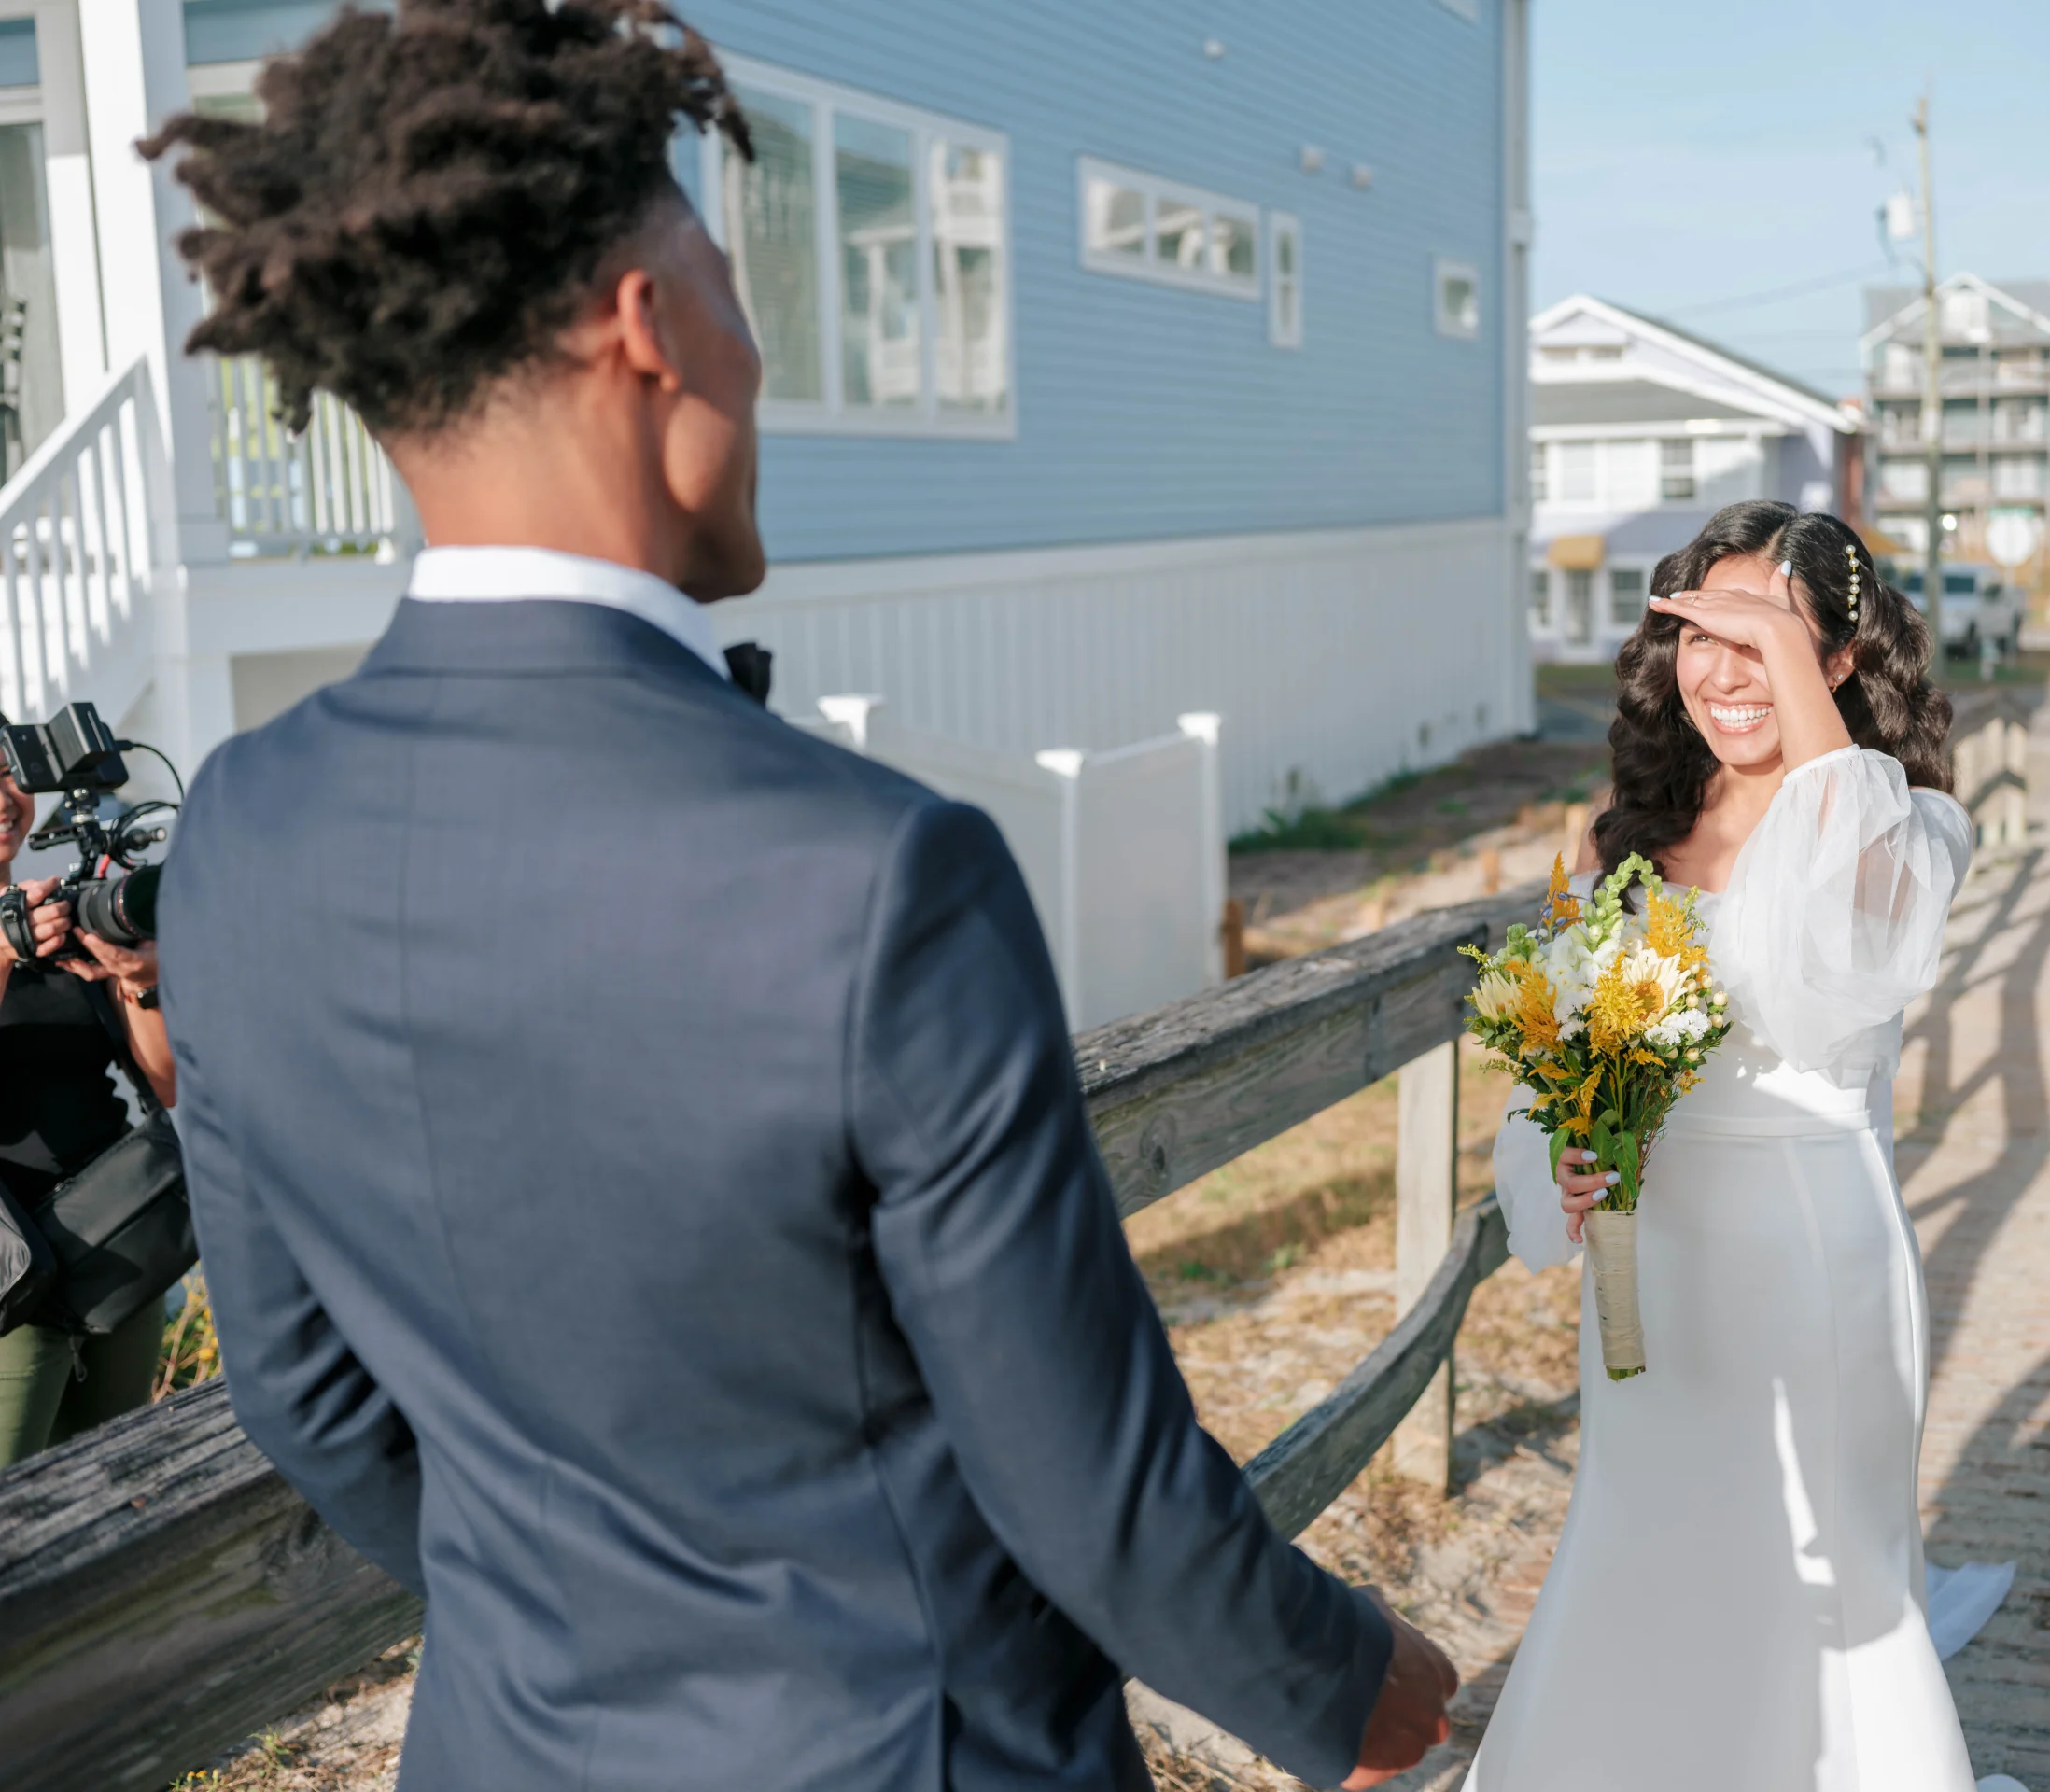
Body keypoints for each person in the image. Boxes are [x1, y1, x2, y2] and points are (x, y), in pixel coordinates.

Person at [143, 2, 1455, 1788]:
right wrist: (1351, 1681)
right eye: (734, 289)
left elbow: (305, 1401)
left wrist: (584, 1617)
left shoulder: (232, 838)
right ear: (649, 324)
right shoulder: (877, 878)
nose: (756, 355)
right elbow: (1092, 1489)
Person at [1467, 502, 2027, 1791]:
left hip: (1809, 1264)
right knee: (1644, 1548)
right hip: (1652, 1271)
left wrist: (1782, 645)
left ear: (1837, 658)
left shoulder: (1907, 830)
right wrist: (1557, 1162)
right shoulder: (1619, 842)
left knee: (1821, 1583)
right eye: (1700, 636)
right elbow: (1556, 1062)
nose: (1727, 670)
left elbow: (1858, 956)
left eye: (1764, 636)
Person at [0, 749, 178, 1466]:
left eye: (7, 772)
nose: (1, 795)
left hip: (117, 1248)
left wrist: (141, 981)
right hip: (12, 1282)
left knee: (121, 1493)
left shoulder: (58, 914)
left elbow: (167, 1086)